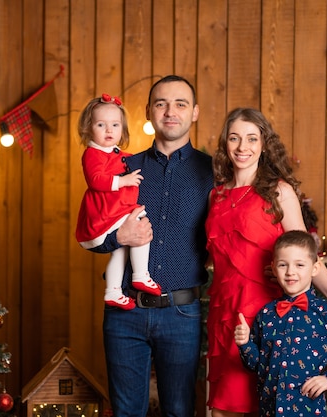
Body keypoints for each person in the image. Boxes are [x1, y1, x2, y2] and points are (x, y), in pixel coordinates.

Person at [205, 107, 327, 417]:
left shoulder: (279, 192)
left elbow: (306, 254)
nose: (242, 147)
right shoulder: (215, 196)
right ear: (225, 143)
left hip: (265, 314)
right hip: (223, 312)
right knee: (221, 408)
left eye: (251, 139)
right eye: (234, 138)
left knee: (260, 404)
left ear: (263, 144)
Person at [90, 75, 214, 416]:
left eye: (180, 104)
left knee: (178, 410)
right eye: (161, 104)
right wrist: (119, 238)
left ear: (195, 112)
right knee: (127, 411)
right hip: (124, 311)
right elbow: (92, 229)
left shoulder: (212, 172)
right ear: (148, 112)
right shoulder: (123, 167)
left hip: (182, 313)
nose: (170, 112)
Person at [234, 230, 327, 416]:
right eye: (283, 265)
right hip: (268, 410)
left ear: (315, 268)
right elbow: (257, 366)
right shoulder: (265, 315)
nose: (291, 272)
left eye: (299, 265)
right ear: (273, 268)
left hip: (308, 409)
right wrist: (245, 344)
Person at [75, 94, 161, 310]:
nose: (109, 130)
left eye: (115, 125)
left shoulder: (120, 154)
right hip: (106, 212)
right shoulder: (92, 154)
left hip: (117, 211)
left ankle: (113, 290)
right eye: (101, 125)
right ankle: (141, 275)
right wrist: (123, 180)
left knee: (120, 250)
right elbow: (96, 180)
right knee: (140, 224)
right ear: (88, 128)